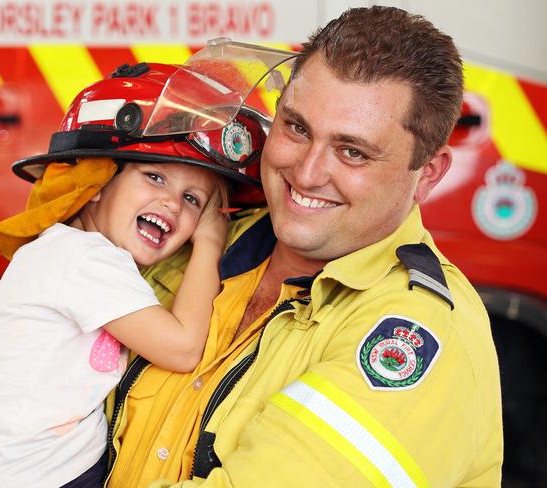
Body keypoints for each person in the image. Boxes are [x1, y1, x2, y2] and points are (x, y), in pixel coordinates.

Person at [103, 6, 503, 488]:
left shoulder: (419, 337)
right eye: (296, 128)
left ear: (429, 174)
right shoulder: (199, 236)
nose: (307, 173)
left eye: (352, 151)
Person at [0, 61, 271, 488]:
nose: (173, 204)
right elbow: (182, 349)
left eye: (194, 199)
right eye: (155, 176)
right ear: (98, 181)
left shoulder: (78, 254)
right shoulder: (81, 260)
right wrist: (210, 244)